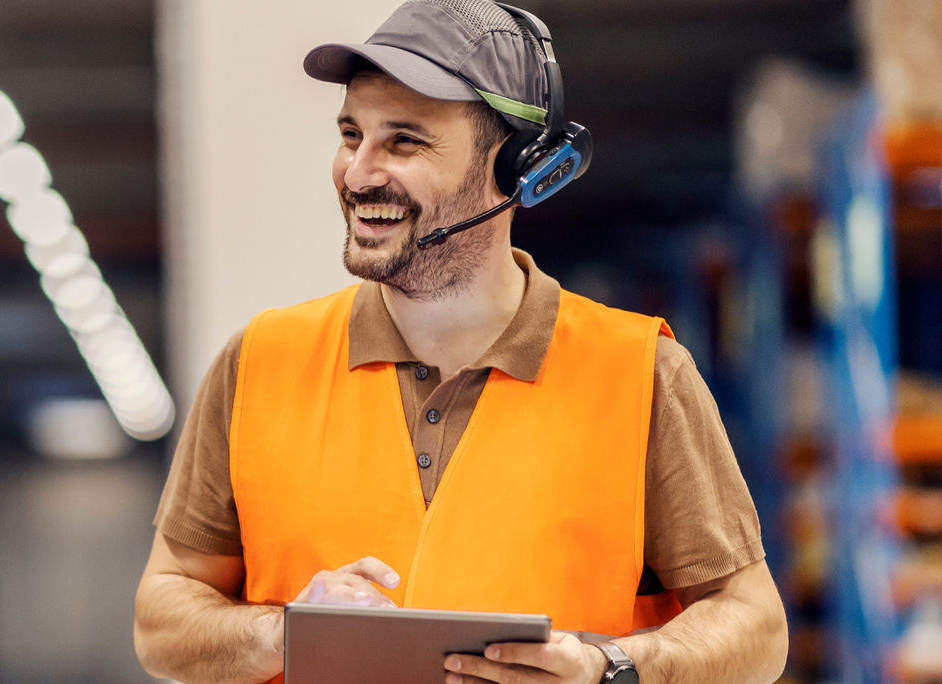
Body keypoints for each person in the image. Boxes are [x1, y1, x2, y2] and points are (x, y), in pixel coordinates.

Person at [131, 2, 788, 683]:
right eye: (352, 134)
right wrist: (281, 632)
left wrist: (609, 666)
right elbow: (163, 613)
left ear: (516, 168)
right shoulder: (262, 362)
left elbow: (755, 627)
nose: (359, 173)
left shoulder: (640, 375)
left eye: (404, 142)